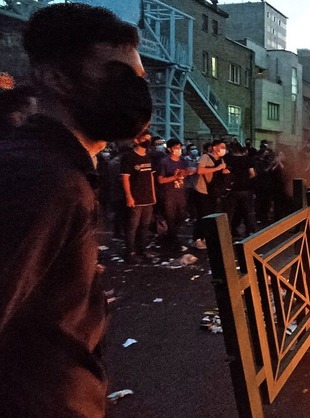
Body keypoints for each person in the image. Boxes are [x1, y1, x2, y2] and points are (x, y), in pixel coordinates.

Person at [0, 4, 151, 416]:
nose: (136, 92)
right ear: (56, 79)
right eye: (116, 75)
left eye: (139, 78)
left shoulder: (61, 166)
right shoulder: (43, 179)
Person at [121, 130, 157, 263]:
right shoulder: (129, 157)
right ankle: (130, 252)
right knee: (132, 227)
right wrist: (129, 196)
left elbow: (151, 177)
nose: (147, 141)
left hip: (148, 198)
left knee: (145, 226)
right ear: (137, 140)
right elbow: (125, 178)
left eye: (149, 138)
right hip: (136, 198)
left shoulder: (148, 157)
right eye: (145, 138)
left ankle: (142, 249)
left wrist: (153, 195)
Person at [157, 138, 195, 250]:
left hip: (181, 192)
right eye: (176, 148)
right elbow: (160, 180)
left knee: (181, 215)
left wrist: (188, 172)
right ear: (169, 149)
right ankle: (173, 241)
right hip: (169, 193)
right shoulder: (164, 162)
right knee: (170, 217)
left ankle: (170, 237)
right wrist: (175, 177)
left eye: (180, 147)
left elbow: (187, 172)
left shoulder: (183, 161)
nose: (179, 150)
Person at [192, 139, 229, 249]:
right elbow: (199, 170)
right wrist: (217, 168)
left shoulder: (221, 159)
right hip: (202, 190)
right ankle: (197, 239)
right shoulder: (205, 157)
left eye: (224, 147)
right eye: (221, 146)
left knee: (210, 215)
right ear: (214, 148)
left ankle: (205, 238)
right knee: (202, 215)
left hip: (213, 191)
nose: (223, 149)